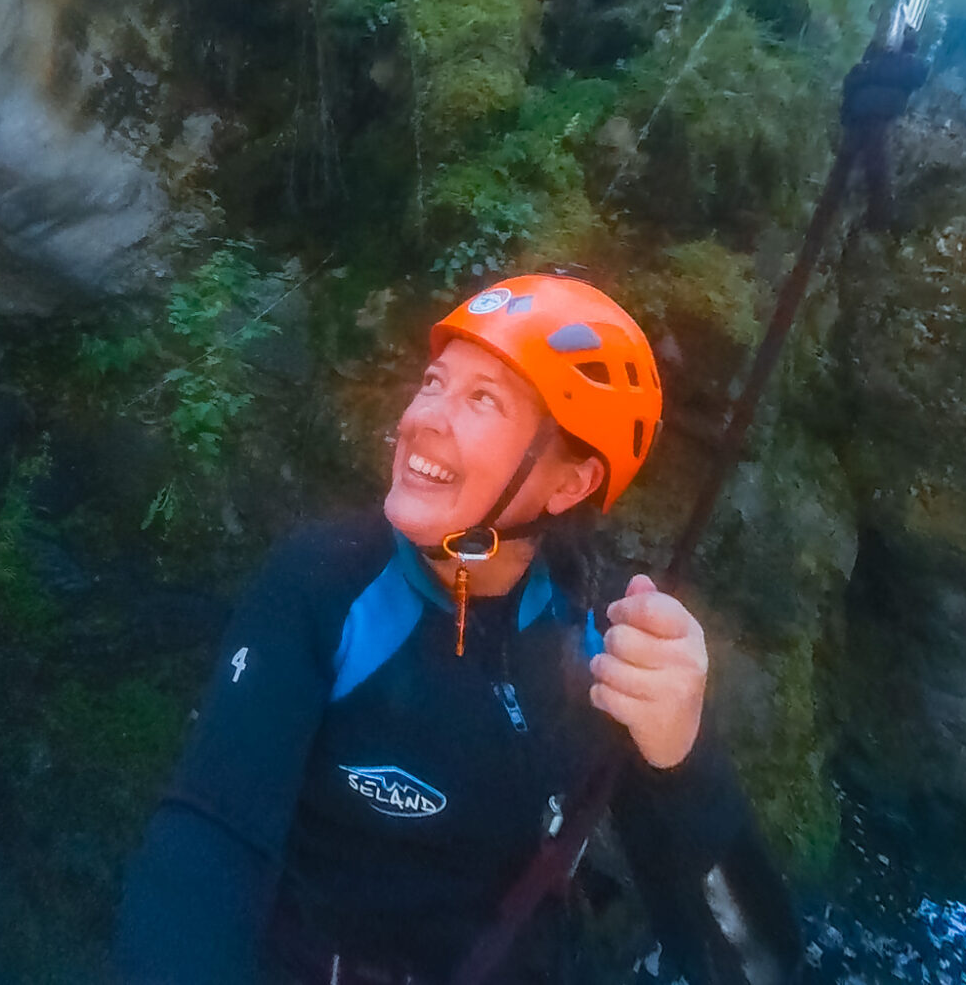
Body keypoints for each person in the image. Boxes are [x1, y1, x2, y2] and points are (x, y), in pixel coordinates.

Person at [114, 274, 800, 985]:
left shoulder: (600, 641)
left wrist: (684, 762)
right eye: (435, 382)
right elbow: (210, 838)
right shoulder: (325, 585)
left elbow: (754, 967)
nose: (423, 417)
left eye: (483, 399)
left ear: (567, 484)